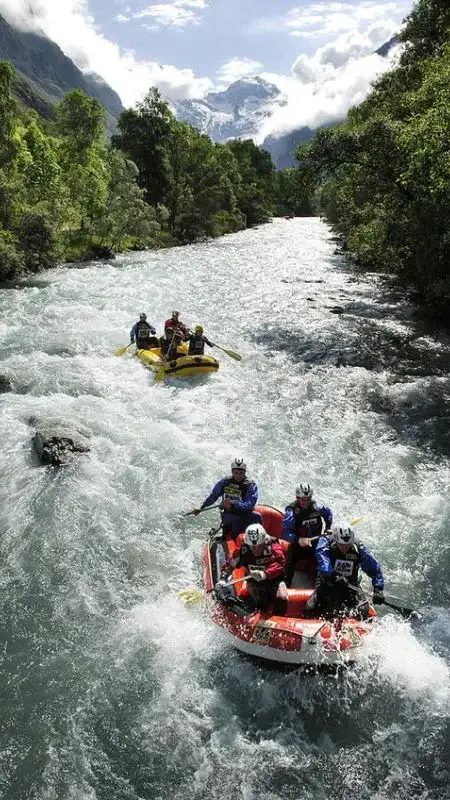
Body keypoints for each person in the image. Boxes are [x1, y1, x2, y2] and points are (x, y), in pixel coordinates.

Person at [305, 524, 385, 617]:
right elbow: (323, 561)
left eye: (347, 545)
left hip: (350, 585)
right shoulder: (326, 542)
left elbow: (374, 569)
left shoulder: (359, 549)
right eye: (341, 545)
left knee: (363, 610)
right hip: (328, 581)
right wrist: (334, 575)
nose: (344, 548)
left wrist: (378, 589)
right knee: (311, 609)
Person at [215, 523, 288, 614]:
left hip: (274, 579)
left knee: (282, 597)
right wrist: (222, 579)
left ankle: (279, 618)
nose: (255, 550)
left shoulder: (273, 547)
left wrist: (265, 574)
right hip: (253, 581)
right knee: (259, 602)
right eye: (252, 547)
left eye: (259, 546)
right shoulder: (242, 550)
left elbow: (279, 562)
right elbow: (231, 565)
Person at [191, 458, 262, 538]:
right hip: (230, 514)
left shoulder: (250, 485)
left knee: (257, 517)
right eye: (236, 473)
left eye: (241, 473)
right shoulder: (225, 482)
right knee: (235, 522)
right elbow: (213, 496)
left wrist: (233, 504)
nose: (238, 475)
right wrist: (201, 507)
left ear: (245, 473)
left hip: (245, 513)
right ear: (232, 472)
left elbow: (250, 503)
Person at [281, 483, 333, 587]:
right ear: (297, 498)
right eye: (302, 499)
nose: (305, 502)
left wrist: (328, 527)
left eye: (308, 499)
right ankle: (286, 582)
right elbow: (285, 533)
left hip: (316, 541)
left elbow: (328, 514)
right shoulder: (291, 511)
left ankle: (323, 581)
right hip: (299, 544)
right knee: (291, 555)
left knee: (324, 554)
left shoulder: (317, 508)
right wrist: (297, 539)